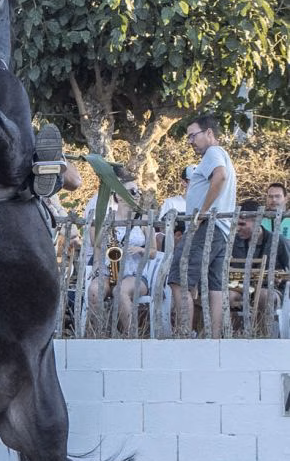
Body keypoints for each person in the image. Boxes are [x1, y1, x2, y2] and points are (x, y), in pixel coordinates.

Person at [167, 114, 237, 338]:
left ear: (209, 133)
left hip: (206, 227)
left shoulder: (213, 152)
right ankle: (214, 338)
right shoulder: (222, 154)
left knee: (180, 279)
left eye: (193, 136)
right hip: (221, 230)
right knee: (215, 287)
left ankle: (183, 336)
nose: (190, 141)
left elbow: (221, 177)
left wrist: (201, 213)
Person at [82, 170, 153, 336]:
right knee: (94, 290)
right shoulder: (108, 219)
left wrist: (141, 249)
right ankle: (98, 333)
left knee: (119, 291)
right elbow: (96, 244)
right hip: (110, 271)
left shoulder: (142, 220)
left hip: (135, 274)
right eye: (132, 191)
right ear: (119, 196)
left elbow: (154, 252)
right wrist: (98, 264)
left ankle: (131, 336)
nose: (137, 194)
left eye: (138, 191)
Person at [228, 198, 290, 331]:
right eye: (236, 224)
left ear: (257, 221)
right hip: (240, 285)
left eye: (242, 224)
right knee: (228, 296)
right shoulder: (232, 242)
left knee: (262, 295)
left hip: (272, 289)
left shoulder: (279, 242)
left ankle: (258, 334)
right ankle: (234, 335)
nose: (237, 229)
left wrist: (281, 278)